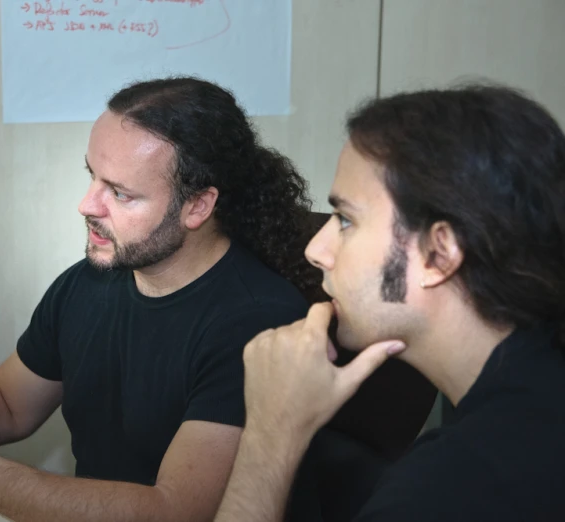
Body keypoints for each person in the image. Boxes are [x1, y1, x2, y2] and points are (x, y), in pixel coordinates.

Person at [0, 76, 322, 522]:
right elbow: (7, 403)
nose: (87, 205)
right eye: (93, 177)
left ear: (198, 206)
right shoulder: (92, 280)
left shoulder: (259, 323)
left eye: (120, 193)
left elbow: (175, 511)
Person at [215, 83, 565, 522]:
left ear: (440, 254)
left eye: (345, 220)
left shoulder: (455, 486)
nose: (316, 250)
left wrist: (270, 436)